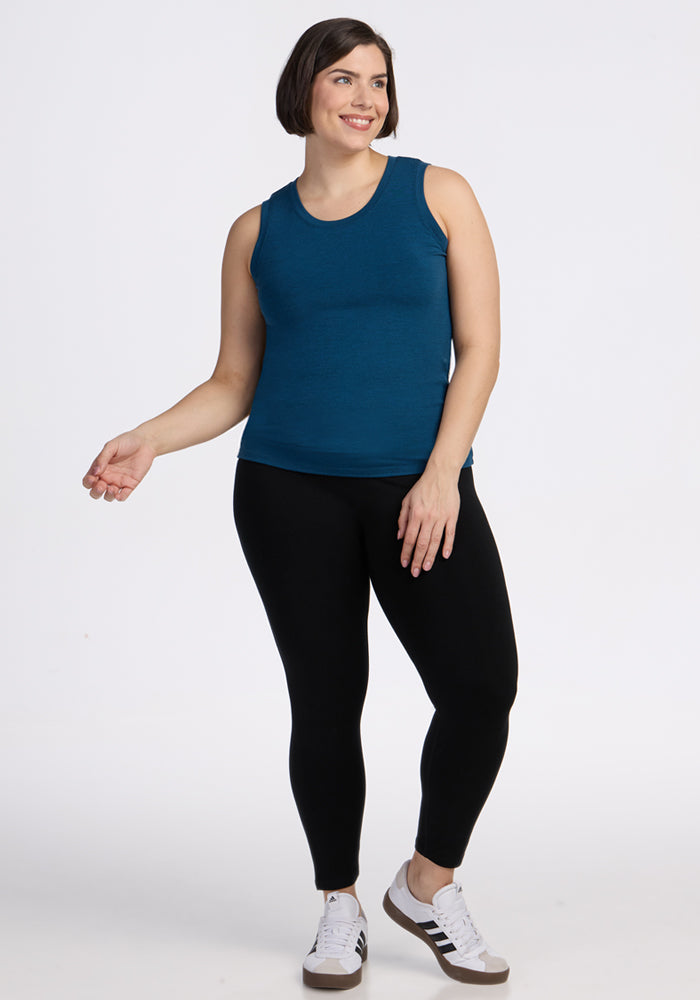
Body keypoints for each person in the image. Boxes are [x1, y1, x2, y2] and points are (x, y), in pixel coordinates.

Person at [82, 16, 519, 991]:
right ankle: (337, 904)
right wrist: (149, 434)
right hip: (286, 490)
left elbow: (478, 350)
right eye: (343, 80)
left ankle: (426, 880)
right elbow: (235, 380)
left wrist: (443, 472)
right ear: (304, 94)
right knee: (326, 701)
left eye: (378, 81)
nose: (365, 98)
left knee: (480, 687)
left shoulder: (436, 195)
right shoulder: (256, 230)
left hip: (419, 485)